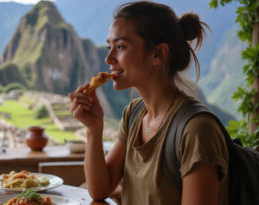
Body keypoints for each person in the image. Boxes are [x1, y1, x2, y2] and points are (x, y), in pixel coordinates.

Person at [68, 1, 229, 205]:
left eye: (120, 47)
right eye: (110, 46)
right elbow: (100, 189)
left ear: (158, 54)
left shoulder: (197, 130)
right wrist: (93, 128)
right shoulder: (134, 114)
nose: (108, 58)